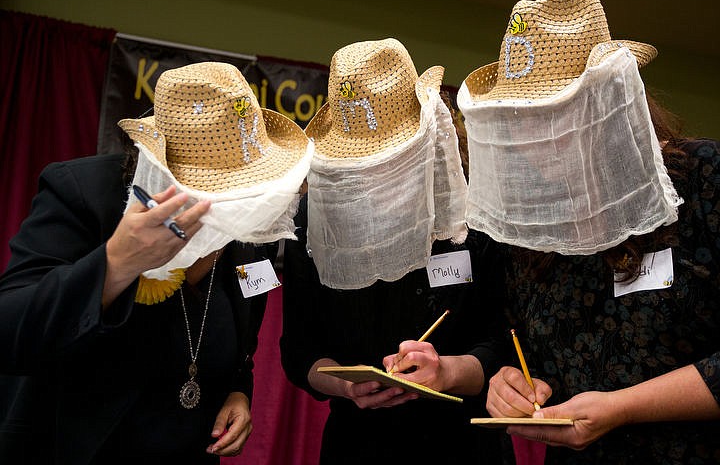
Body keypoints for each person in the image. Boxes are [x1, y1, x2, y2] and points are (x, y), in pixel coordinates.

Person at [0, 62, 313, 464]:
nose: (236, 201)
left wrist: (239, 388)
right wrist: (117, 262)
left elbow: (244, 330)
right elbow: (10, 332)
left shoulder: (250, 214)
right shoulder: (81, 192)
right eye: (221, 185)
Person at [457, 0, 720, 463]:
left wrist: (624, 408)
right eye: (520, 124)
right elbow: (519, 343)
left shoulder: (706, 180)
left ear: (607, 101)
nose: (533, 143)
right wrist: (509, 383)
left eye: (552, 118)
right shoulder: (530, 219)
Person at [280, 38, 507, 464]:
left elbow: (503, 342)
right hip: (358, 446)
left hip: (463, 447)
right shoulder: (314, 222)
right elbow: (300, 351)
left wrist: (448, 372)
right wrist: (346, 385)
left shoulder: (471, 209)